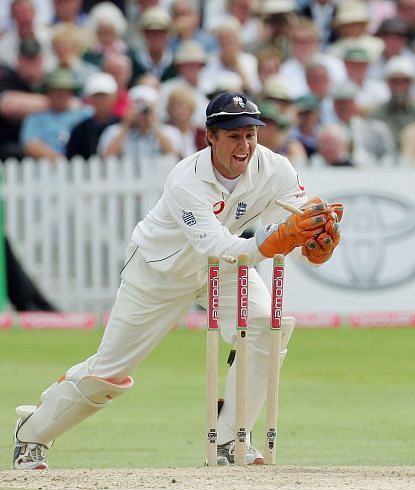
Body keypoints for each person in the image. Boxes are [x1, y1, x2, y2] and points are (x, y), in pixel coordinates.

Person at [12, 91, 344, 470]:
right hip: (159, 272)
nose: (245, 145)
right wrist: (274, 241)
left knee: (267, 325)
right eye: (233, 135)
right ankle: (31, 433)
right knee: (108, 373)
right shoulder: (187, 180)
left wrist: (316, 247)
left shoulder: (275, 168)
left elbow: (303, 218)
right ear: (210, 137)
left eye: (250, 134)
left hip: (223, 268)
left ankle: (229, 438)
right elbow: (215, 244)